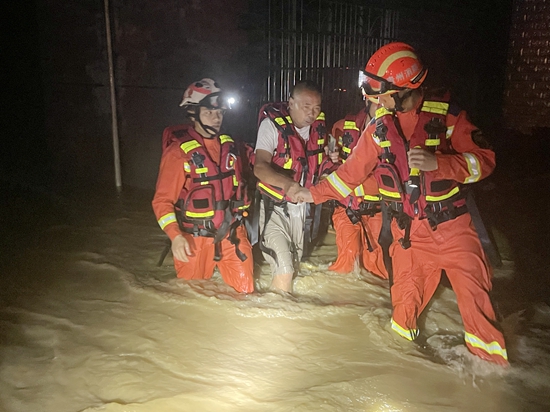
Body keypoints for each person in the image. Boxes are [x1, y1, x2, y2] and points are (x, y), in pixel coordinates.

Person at [296, 42, 508, 366]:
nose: (374, 100)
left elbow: (485, 161)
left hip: (453, 230)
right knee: (402, 319)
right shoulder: (379, 127)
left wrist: (441, 163)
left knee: (477, 309)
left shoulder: (450, 119)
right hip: (409, 237)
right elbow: (349, 175)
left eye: (380, 93)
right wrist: (310, 194)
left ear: (404, 89)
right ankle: (405, 372)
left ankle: (494, 380)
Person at [152, 78, 254, 294]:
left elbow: (260, 162)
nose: (216, 118)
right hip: (193, 239)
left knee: (246, 295)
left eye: (220, 113)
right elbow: (162, 201)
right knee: (192, 298)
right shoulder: (177, 153)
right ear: (193, 113)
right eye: (209, 112)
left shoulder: (233, 147)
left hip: (232, 234)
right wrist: (175, 236)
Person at [253, 80, 327, 293]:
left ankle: (281, 308)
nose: (312, 114)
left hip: (301, 212)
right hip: (274, 208)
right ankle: (277, 320)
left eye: (316, 108)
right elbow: (259, 167)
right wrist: (288, 184)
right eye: (306, 107)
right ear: (291, 103)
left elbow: (320, 164)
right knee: (284, 267)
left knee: (293, 266)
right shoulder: (271, 126)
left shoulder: (318, 131)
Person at [327, 97, 388, 279]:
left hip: (379, 210)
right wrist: (330, 154)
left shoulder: (396, 131)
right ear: (367, 100)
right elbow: (326, 152)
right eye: (378, 101)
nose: (383, 106)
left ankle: (375, 305)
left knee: (377, 266)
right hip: (347, 208)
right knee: (347, 262)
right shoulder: (343, 126)